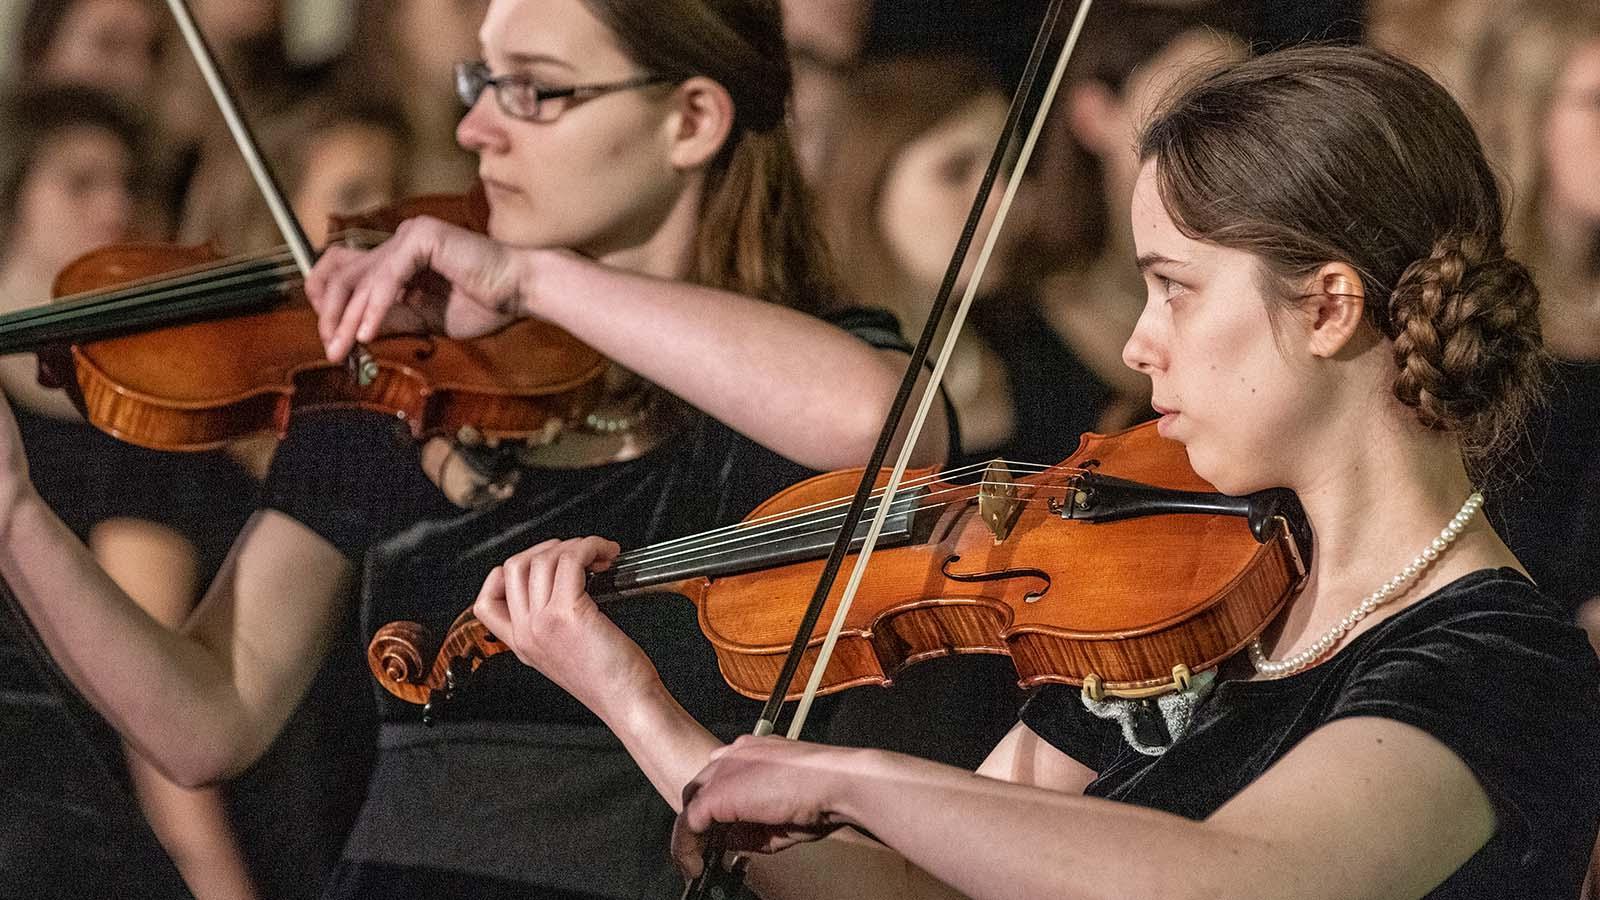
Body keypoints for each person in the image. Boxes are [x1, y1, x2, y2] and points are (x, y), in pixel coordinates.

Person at [473, 45, 1600, 898]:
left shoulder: (1502, 666)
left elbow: (1241, 878)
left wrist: (854, 776)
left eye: (1175, 287)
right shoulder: (1179, 596)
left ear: (1327, 306)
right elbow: (927, 887)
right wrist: (648, 716)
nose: (1134, 342)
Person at [0, 1, 951, 897]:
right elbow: (207, 718)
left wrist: (535, 278)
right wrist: (18, 517)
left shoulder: (815, 369)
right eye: (480, 82)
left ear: (691, 120)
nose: (476, 131)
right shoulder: (411, 374)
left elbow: (883, 425)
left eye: (534, 91)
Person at [0, 84, 261, 899]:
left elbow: (161, 712)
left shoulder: (145, 434)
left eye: (126, 185)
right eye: (79, 183)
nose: (114, 208)